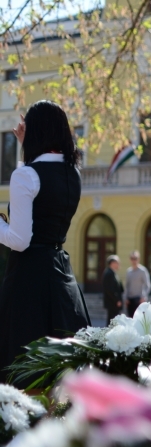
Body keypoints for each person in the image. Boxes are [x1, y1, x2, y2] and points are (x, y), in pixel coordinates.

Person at [0, 100, 90, 384]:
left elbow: (19, 240)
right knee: (59, 369)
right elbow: (35, 179)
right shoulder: (73, 173)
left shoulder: (25, 175)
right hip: (60, 275)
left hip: (28, 280)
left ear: (35, 132)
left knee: (22, 369)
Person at [125, 250, 151, 317]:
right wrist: (125, 298)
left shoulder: (143, 271)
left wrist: (144, 297)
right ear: (130, 260)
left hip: (139, 300)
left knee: (139, 320)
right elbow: (127, 286)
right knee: (130, 320)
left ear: (139, 259)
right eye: (132, 259)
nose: (134, 261)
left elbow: (148, 285)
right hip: (130, 300)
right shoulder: (128, 271)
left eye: (135, 258)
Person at [102, 254, 124, 325]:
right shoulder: (109, 273)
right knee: (112, 322)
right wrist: (117, 300)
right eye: (118, 263)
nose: (119, 264)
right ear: (112, 263)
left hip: (114, 303)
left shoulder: (112, 273)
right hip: (112, 303)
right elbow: (110, 290)